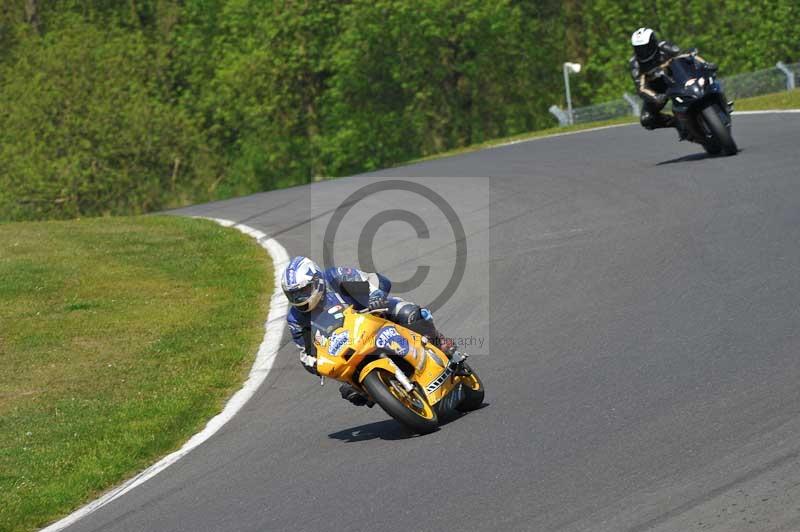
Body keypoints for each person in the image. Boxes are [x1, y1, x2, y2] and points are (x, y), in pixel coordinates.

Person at [281, 256, 463, 406]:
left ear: (316, 281)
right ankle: (381, 392)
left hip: (373, 315)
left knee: (409, 313)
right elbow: (305, 351)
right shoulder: (296, 319)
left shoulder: (334, 276)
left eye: (303, 291)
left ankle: (440, 342)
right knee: (349, 391)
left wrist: (375, 296)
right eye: (294, 295)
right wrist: (313, 364)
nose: (300, 298)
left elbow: (368, 280)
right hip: (346, 349)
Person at [629, 27, 717, 135]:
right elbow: (641, 87)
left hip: (677, 78)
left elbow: (687, 56)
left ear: (653, 43)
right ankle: (677, 123)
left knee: (705, 77)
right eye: (639, 49)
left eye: (645, 47)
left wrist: (705, 64)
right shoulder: (635, 64)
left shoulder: (664, 47)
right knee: (647, 119)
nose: (642, 52)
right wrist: (655, 97)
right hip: (657, 90)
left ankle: (715, 97)